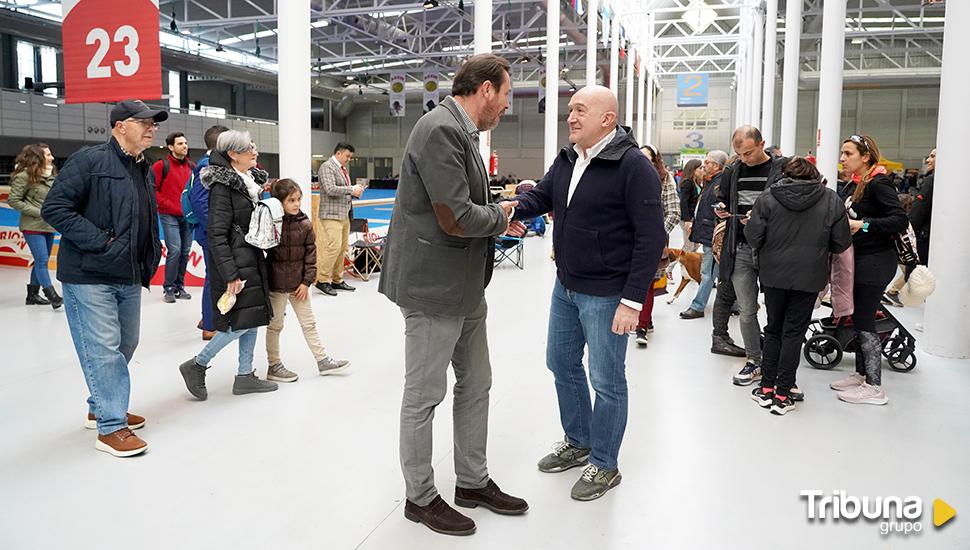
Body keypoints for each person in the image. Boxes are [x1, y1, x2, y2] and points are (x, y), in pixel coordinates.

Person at [378, 53, 527, 536]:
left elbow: (467, 205)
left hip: (465, 286)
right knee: (424, 395)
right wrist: (504, 217)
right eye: (505, 94)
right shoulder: (439, 128)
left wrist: (498, 207)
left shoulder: (463, 132)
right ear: (485, 89)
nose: (507, 105)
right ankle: (420, 497)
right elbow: (456, 217)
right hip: (431, 287)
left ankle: (472, 480)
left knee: (477, 382)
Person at [512, 85, 665, 502]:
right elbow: (542, 197)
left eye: (581, 110)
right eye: (570, 109)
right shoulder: (568, 158)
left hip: (607, 293)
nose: (571, 116)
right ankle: (578, 440)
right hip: (567, 285)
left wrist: (632, 300)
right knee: (560, 361)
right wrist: (506, 210)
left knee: (607, 379)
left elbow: (652, 238)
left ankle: (604, 463)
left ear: (607, 119)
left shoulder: (633, 166)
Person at [41, 99, 165, 457]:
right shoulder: (89, 160)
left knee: (128, 342)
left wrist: (150, 250)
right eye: (144, 122)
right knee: (105, 350)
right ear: (119, 126)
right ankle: (111, 426)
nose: (151, 127)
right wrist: (101, 241)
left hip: (128, 272)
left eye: (153, 123)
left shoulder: (143, 168)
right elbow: (55, 208)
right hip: (89, 272)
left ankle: (101, 405)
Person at [745, 158, 852, 415]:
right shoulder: (831, 200)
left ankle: (766, 387)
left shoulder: (768, 198)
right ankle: (783, 392)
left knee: (773, 329)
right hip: (810, 277)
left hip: (773, 275)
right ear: (815, 175)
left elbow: (753, 237)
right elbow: (840, 243)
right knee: (793, 333)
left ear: (784, 175)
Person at [178, 130, 278, 400]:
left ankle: (245, 374)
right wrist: (231, 273)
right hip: (237, 260)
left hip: (251, 256)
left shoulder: (247, 183)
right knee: (239, 323)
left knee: (253, 316)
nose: (255, 152)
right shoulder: (223, 187)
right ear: (233, 154)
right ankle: (197, 364)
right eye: (249, 149)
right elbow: (216, 233)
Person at [831, 134, 908, 405]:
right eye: (842, 153)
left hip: (876, 261)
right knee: (858, 316)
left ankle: (875, 387)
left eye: (848, 153)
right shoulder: (856, 184)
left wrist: (863, 225)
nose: (842, 158)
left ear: (866, 157)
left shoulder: (879, 183)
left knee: (865, 319)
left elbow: (899, 219)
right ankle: (862, 374)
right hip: (861, 259)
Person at [714, 126, 788, 386]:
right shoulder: (732, 171)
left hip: (773, 250)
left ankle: (777, 363)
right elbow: (722, 199)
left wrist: (763, 219)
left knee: (778, 311)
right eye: (739, 153)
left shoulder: (782, 169)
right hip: (741, 248)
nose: (744, 158)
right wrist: (722, 209)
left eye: (748, 152)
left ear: (762, 144)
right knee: (746, 310)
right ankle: (754, 360)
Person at [264, 178, 350, 382]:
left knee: (309, 323)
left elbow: (312, 256)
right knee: (275, 326)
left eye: (298, 199)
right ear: (279, 202)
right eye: (291, 200)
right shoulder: (271, 224)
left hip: (298, 286)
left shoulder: (305, 224)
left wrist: (306, 282)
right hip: (276, 286)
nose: (296, 204)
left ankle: (322, 361)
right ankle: (274, 365)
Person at [635, 144, 680, 348]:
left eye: (649, 158)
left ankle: (641, 326)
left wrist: (656, 234)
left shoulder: (665, 180)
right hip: (630, 239)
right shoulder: (629, 177)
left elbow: (673, 212)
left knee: (647, 284)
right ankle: (645, 317)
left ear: (656, 160)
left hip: (654, 240)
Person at [188, 125, 229, 341]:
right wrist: (216, 230)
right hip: (210, 233)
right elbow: (200, 201)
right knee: (213, 278)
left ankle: (208, 317)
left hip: (211, 232)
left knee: (215, 276)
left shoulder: (212, 164)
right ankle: (210, 325)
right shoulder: (207, 166)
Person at [8, 143, 61, 308]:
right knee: (42, 260)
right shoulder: (24, 176)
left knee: (40, 261)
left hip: (48, 225)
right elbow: (14, 200)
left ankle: (32, 296)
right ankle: (51, 294)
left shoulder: (51, 175)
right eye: (48, 155)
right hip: (32, 225)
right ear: (38, 158)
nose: (52, 158)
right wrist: (39, 211)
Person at [681, 150, 728, 320]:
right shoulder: (711, 182)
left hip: (713, 235)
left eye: (707, 162)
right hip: (708, 232)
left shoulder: (720, 183)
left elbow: (719, 208)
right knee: (716, 272)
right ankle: (735, 304)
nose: (704, 165)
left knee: (707, 272)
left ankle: (698, 306)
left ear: (716, 166)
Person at [314, 142, 363, 296]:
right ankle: (322, 281)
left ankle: (337, 280)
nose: (349, 159)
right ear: (339, 153)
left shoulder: (343, 170)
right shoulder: (327, 167)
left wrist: (355, 190)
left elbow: (341, 189)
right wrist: (351, 189)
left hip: (344, 214)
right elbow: (330, 189)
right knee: (333, 248)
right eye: (347, 156)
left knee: (342, 249)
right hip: (331, 215)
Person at [152, 132, 195, 303]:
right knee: (175, 250)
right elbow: (153, 190)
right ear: (170, 147)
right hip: (169, 215)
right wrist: (171, 206)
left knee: (185, 251)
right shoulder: (161, 166)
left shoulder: (192, 166)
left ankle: (179, 286)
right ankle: (169, 288)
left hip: (187, 217)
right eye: (180, 144)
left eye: (185, 143)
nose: (184, 146)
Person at [678, 159, 703, 253]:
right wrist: (687, 220)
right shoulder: (687, 183)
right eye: (700, 168)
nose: (702, 170)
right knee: (689, 245)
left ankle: (684, 264)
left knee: (695, 245)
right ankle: (672, 265)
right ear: (693, 170)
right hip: (687, 218)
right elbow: (683, 202)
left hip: (694, 218)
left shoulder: (697, 183)